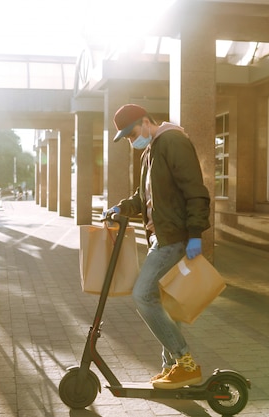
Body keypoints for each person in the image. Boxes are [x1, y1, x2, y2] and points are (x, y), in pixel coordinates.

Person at [105, 104, 211, 390]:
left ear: (145, 121)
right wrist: (122, 206)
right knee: (163, 303)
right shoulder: (151, 151)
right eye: (126, 138)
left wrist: (195, 233)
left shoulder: (173, 142)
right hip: (161, 237)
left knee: (143, 295)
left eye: (131, 133)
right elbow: (146, 197)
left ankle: (185, 362)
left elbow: (195, 189)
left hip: (175, 238)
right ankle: (173, 368)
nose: (131, 140)